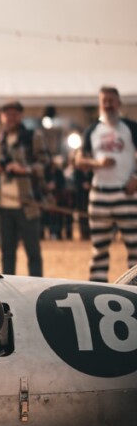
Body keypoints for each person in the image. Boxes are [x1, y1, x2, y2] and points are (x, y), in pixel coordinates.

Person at [75, 86, 137, 282]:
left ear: (119, 103)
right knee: (99, 249)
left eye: (112, 100)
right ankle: (97, 289)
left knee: (135, 247)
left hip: (126, 194)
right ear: (100, 104)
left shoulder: (131, 127)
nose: (108, 104)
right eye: (104, 101)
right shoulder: (92, 130)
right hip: (99, 194)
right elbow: (79, 160)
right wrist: (97, 163)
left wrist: (136, 178)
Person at [0, 100, 48, 277]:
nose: (10, 118)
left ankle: (36, 286)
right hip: (1, 204)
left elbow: (45, 164)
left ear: (21, 115)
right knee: (6, 252)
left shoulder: (33, 136)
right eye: (7, 114)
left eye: (14, 114)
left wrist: (24, 169)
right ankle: (9, 287)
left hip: (27, 202)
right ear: (1, 116)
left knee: (33, 251)